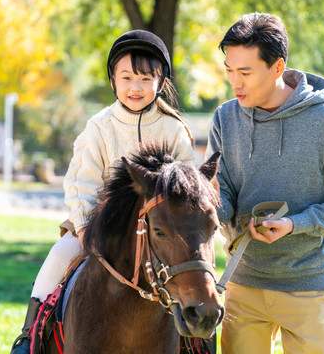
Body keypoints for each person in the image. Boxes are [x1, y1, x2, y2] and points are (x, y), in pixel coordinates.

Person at [10, 29, 194, 353]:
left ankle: (198, 340)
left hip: (158, 232)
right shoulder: (100, 126)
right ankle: (29, 335)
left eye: (145, 78)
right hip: (100, 228)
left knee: (195, 274)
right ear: (113, 80)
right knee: (58, 257)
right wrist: (83, 228)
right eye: (126, 78)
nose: (135, 87)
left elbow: (186, 187)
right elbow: (81, 183)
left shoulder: (174, 128)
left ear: (161, 81)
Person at [206, 13, 324, 354]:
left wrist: (296, 224)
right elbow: (219, 189)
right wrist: (208, 210)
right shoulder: (225, 117)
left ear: (278, 67)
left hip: (307, 285)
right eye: (229, 70)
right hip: (243, 281)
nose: (235, 83)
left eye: (245, 72)